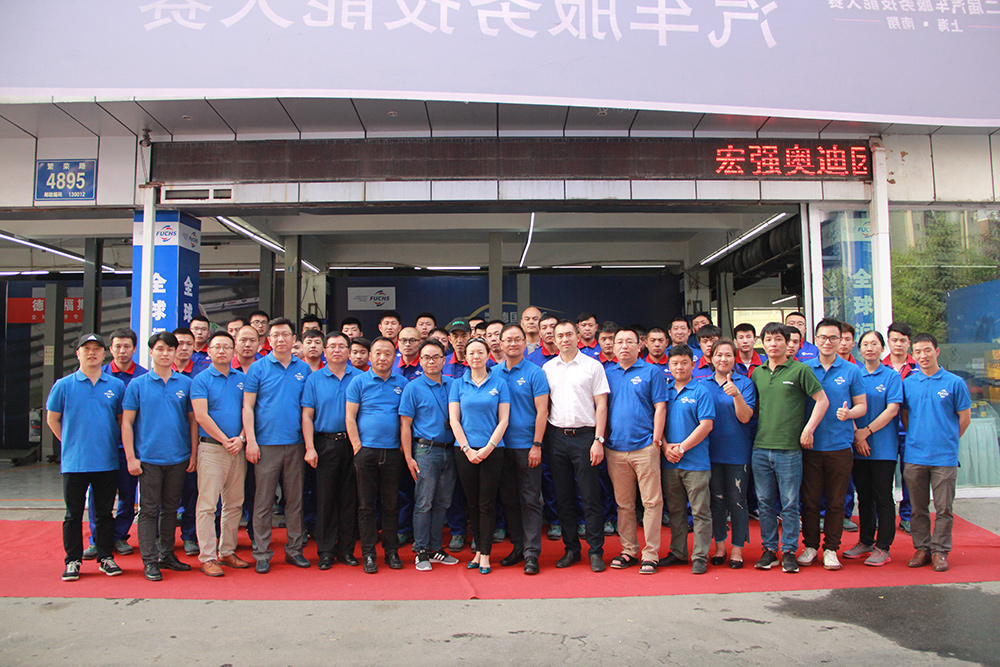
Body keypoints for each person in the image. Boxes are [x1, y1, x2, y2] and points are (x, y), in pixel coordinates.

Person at [47, 333, 127, 581]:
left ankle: (105, 557)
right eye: (86, 349)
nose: (92, 353)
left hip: (106, 461)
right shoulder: (64, 385)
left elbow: (121, 420)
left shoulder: (116, 386)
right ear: (78, 354)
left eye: (97, 349)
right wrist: (70, 442)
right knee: (73, 514)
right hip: (75, 462)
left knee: (104, 513)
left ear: (104, 353)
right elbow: (52, 419)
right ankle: (72, 560)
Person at [751, 323, 828, 574]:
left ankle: (789, 551)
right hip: (760, 447)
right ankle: (769, 549)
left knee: (790, 503)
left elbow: (822, 400)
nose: (773, 344)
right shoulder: (758, 373)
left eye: (778, 339)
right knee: (764, 502)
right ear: (762, 343)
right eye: (768, 339)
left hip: (789, 448)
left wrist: (808, 429)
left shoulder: (800, 370)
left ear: (788, 343)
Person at [122, 331, 198, 582]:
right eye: (160, 349)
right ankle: (149, 560)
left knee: (170, 509)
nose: (165, 354)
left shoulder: (185, 384)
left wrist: (193, 454)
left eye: (169, 349)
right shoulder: (137, 385)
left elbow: (193, 422)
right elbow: (127, 422)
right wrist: (131, 458)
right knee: (148, 510)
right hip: (148, 460)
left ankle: (167, 554)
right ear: (151, 352)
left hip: (178, 457)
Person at [243, 317, 312, 573]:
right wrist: (251, 440)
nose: (281, 339)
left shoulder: (303, 369)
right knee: (263, 502)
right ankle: (262, 553)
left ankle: (294, 550)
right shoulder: (258, 368)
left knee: (295, 501)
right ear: (268, 339)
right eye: (275, 335)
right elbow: (248, 406)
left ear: (294, 339)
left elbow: (307, 409)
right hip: (265, 445)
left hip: (295, 444)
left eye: (285, 334)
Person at [798, 318, 867, 572]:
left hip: (839, 446)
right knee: (810, 500)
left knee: (837, 502)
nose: (828, 342)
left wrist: (849, 414)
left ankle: (831, 549)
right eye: (823, 337)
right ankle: (810, 546)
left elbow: (862, 406)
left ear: (841, 341)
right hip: (810, 447)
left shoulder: (851, 371)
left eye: (833, 338)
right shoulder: (804, 368)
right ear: (815, 340)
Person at [543, 319, 610, 572]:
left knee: (590, 497)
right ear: (553, 339)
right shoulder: (548, 369)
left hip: (586, 437)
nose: (565, 339)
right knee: (563, 497)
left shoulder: (593, 366)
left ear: (577, 336)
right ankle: (571, 548)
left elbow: (601, 405)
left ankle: (596, 551)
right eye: (559, 335)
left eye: (569, 334)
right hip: (556, 437)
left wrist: (598, 440)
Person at [901, 333, 972, 573]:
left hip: (944, 457)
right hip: (915, 456)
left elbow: (964, 418)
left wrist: (948, 439)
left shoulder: (955, 383)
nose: (923, 356)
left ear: (937, 351)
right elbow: (905, 416)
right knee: (917, 508)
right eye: (918, 352)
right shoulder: (908, 383)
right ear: (913, 355)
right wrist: (917, 437)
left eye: (927, 350)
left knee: (944, 508)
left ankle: (940, 550)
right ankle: (922, 548)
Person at [604, 328, 666, 575]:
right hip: (615, 449)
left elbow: (660, 407)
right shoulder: (607, 374)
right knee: (624, 505)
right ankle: (628, 550)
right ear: (612, 346)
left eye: (629, 341)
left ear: (639, 345)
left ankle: (651, 554)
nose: (624, 346)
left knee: (652, 502)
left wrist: (656, 440)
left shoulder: (652, 372)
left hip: (645, 447)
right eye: (619, 342)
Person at [81, 328, 147, 560]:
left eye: (127, 346)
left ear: (134, 349)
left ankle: (119, 536)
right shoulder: (99, 375)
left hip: (130, 448)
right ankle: (97, 539)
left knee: (128, 495)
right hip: (102, 449)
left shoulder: (143, 377)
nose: (122, 351)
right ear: (110, 349)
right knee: (98, 496)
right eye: (117, 346)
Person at [346, 336, 410, 574]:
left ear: (395, 357)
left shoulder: (402, 383)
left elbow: (405, 419)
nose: (382, 358)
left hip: (393, 452)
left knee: (391, 504)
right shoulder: (358, 382)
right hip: (366, 451)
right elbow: (350, 416)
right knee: (366, 506)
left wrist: (402, 449)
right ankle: (369, 554)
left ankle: (392, 551)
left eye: (388, 354)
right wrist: (357, 447)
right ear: (370, 356)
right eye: (378, 353)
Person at [190, 331, 251, 576]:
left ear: (233, 350)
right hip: (212, 449)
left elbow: (249, 410)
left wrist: (241, 438)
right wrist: (225, 440)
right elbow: (201, 415)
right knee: (207, 505)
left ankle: (227, 551)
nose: (222, 351)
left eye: (227, 346)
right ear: (209, 350)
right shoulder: (201, 380)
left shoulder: (242, 379)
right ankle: (207, 556)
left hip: (238, 448)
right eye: (217, 347)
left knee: (234, 503)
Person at [450, 337, 510, 574]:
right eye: (471, 353)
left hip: (492, 451)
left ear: (488, 355)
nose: (476, 357)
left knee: (487, 503)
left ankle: (485, 553)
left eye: (480, 352)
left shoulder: (499, 383)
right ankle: (476, 551)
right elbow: (454, 420)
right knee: (472, 503)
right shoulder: (458, 384)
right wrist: (467, 449)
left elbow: (503, 419)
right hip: (464, 451)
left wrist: (488, 448)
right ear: (465, 358)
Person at [842, 330, 903, 567]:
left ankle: (883, 547)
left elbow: (892, 410)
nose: (869, 348)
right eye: (865, 344)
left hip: (883, 448)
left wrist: (866, 432)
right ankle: (866, 541)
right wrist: (857, 436)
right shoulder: (854, 374)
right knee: (864, 496)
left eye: (874, 344)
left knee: (883, 496)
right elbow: (848, 406)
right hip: (858, 447)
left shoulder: (891, 376)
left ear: (882, 348)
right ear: (859, 349)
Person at [493, 324, 550, 575]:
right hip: (500, 447)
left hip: (527, 446)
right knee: (509, 500)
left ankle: (531, 553)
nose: (513, 344)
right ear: (500, 344)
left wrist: (537, 444)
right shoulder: (493, 372)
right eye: (508, 340)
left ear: (525, 343)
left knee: (530, 501)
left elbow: (542, 411)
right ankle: (517, 547)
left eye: (518, 339)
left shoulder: (535, 372)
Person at [302, 331, 361, 570]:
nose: (337, 350)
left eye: (342, 346)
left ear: (349, 351)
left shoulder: (360, 377)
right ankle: (325, 551)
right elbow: (307, 415)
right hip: (324, 443)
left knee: (349, 498)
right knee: (325, 499)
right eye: (332, 346)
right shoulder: (314, 379)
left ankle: (346, 550)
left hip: (353, 444)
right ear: (325, 352)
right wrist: (310, 447)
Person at [400, 339, 460, 571]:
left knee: (443, 502)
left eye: (436, 357)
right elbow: (405, 425)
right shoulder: (412, 387)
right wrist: (409, 457)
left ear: (444, 360)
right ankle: (421, 550)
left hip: (450, 450)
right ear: (420, 360)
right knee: (424, 502)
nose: (431, 361)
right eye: (426, 357)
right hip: (425, 450)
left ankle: (436, 548)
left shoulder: (453, 384)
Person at [660, 344, 715, 575]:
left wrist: (681, 448)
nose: (679, 367)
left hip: (696, 463)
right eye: (675, 363)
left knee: (700, 512)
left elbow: (706, 425)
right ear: (669, 366)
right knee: (675, 511)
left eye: (684, 363)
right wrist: (665, 447)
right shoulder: (664, 391)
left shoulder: (701, 391)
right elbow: (657, 422)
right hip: (669, 462)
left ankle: (700, 556)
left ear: (693, 364)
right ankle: (678, 552)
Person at [704, 339, 756, 570]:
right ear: (711, 358)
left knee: (737, 502)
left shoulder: (745, 383)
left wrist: (736, 395)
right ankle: (719, 546)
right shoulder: (703, 384)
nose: (723, 359)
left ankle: (737, 549)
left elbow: (745, 417)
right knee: (716, 502)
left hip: (737, 452)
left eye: (727, 355)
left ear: (735, 359)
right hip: (710, 453)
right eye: (718, 355)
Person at [884, 321, 917, 534]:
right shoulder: (879, 367)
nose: (898, 344)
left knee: (911, 477)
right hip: (885, 432)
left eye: (902, 340)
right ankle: (883, 516)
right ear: (888, 342)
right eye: (894, 340)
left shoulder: (918, 367)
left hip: (911, 433)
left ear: (909, 343)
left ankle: (908, 516)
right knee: (883, 477)